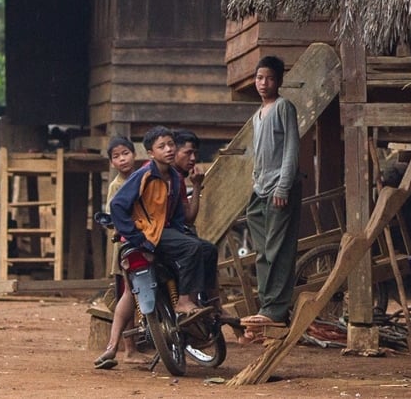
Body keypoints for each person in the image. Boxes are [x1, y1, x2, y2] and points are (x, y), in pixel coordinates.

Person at [108, 127, 218, 325]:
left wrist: (182, 234)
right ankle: (183, 302)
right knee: (191, 248)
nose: (168, 149)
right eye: (162, 146)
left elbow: (178, 216)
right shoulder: (144, 175)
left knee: (208, 249)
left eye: (171, 145)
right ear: (151, 153)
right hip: (147, 234)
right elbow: (117, 206)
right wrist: (138, 239)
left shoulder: (175, 178)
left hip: (164, 232)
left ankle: (203, 303)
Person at [240, 55, 301, 342]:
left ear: (279, 81)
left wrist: (283, 187)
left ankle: (276, 309)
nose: (263, 84)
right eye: (259, 78)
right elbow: (258, 154)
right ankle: (266, 305)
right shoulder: (257, 115)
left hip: (279, 188)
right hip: (260, 188)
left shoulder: (283, 107)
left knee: (278, 248)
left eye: (270, 78)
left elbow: (290, 149)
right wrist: (256, 183)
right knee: (262, 250)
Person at [95, 137, 140, 369]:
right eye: (116, 156)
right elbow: (113, 218)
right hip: (125, 246)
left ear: (134, 154)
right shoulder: (116, 186)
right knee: (127, 295)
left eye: (126, 153)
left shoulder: (143, 176)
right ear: (112, 162)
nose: (122, 159)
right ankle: (129, 348)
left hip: (144, 240)